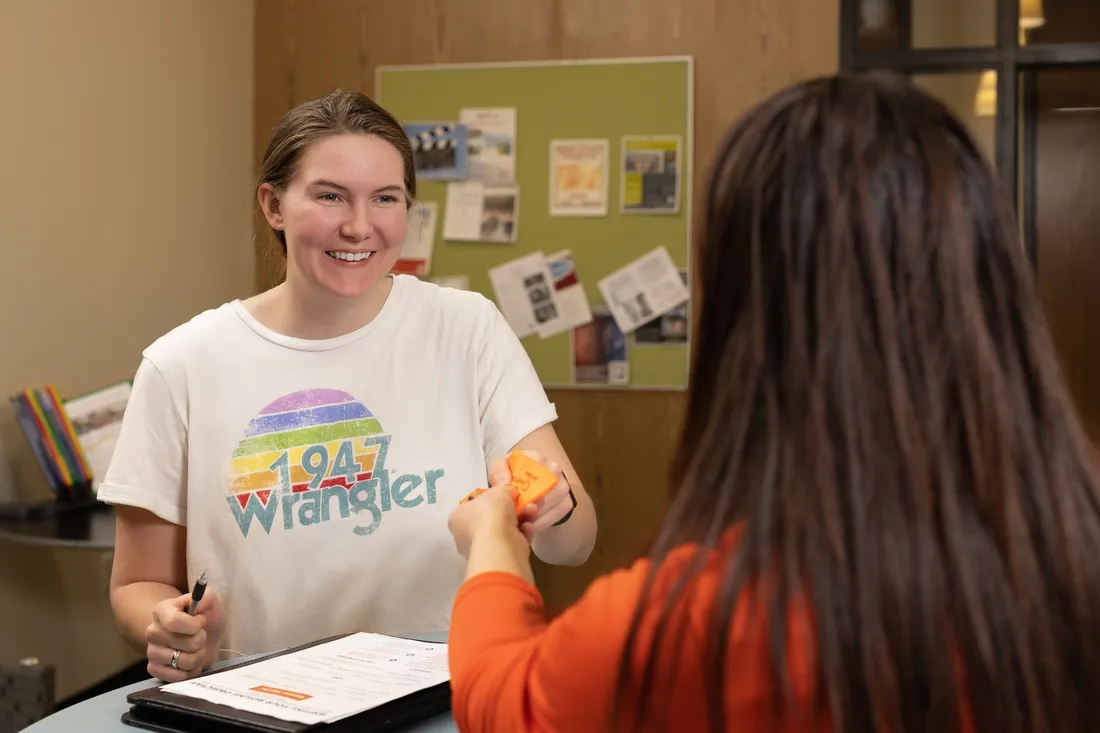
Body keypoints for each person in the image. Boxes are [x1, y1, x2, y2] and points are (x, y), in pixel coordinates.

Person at [444, 71, 1100, 733]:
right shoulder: (1069, 562)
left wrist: (494, 537)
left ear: (745, 317)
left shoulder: (690, 622)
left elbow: (497, 698)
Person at [99, 89, 597, 683]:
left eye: (384, 198)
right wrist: (165, 626)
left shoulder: (467, 329)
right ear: (273, 205)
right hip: (266, 703)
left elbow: (573, 545)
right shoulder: (180, 365)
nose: (359, 227)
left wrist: (557, 513)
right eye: (330, 196)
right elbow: (136, 584)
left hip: (445, 693)